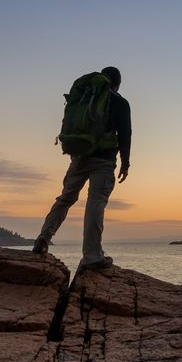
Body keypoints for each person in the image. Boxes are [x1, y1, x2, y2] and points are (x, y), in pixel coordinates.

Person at [32, 66, 131, 269]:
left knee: (65, 198)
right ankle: (92, 256)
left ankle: (44, 237)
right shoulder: (120, 102)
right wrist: (125, 162)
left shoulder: (87, 96)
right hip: (103, 160)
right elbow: (125, 134)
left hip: (79, 156)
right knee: (96, 203)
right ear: (117, 84)